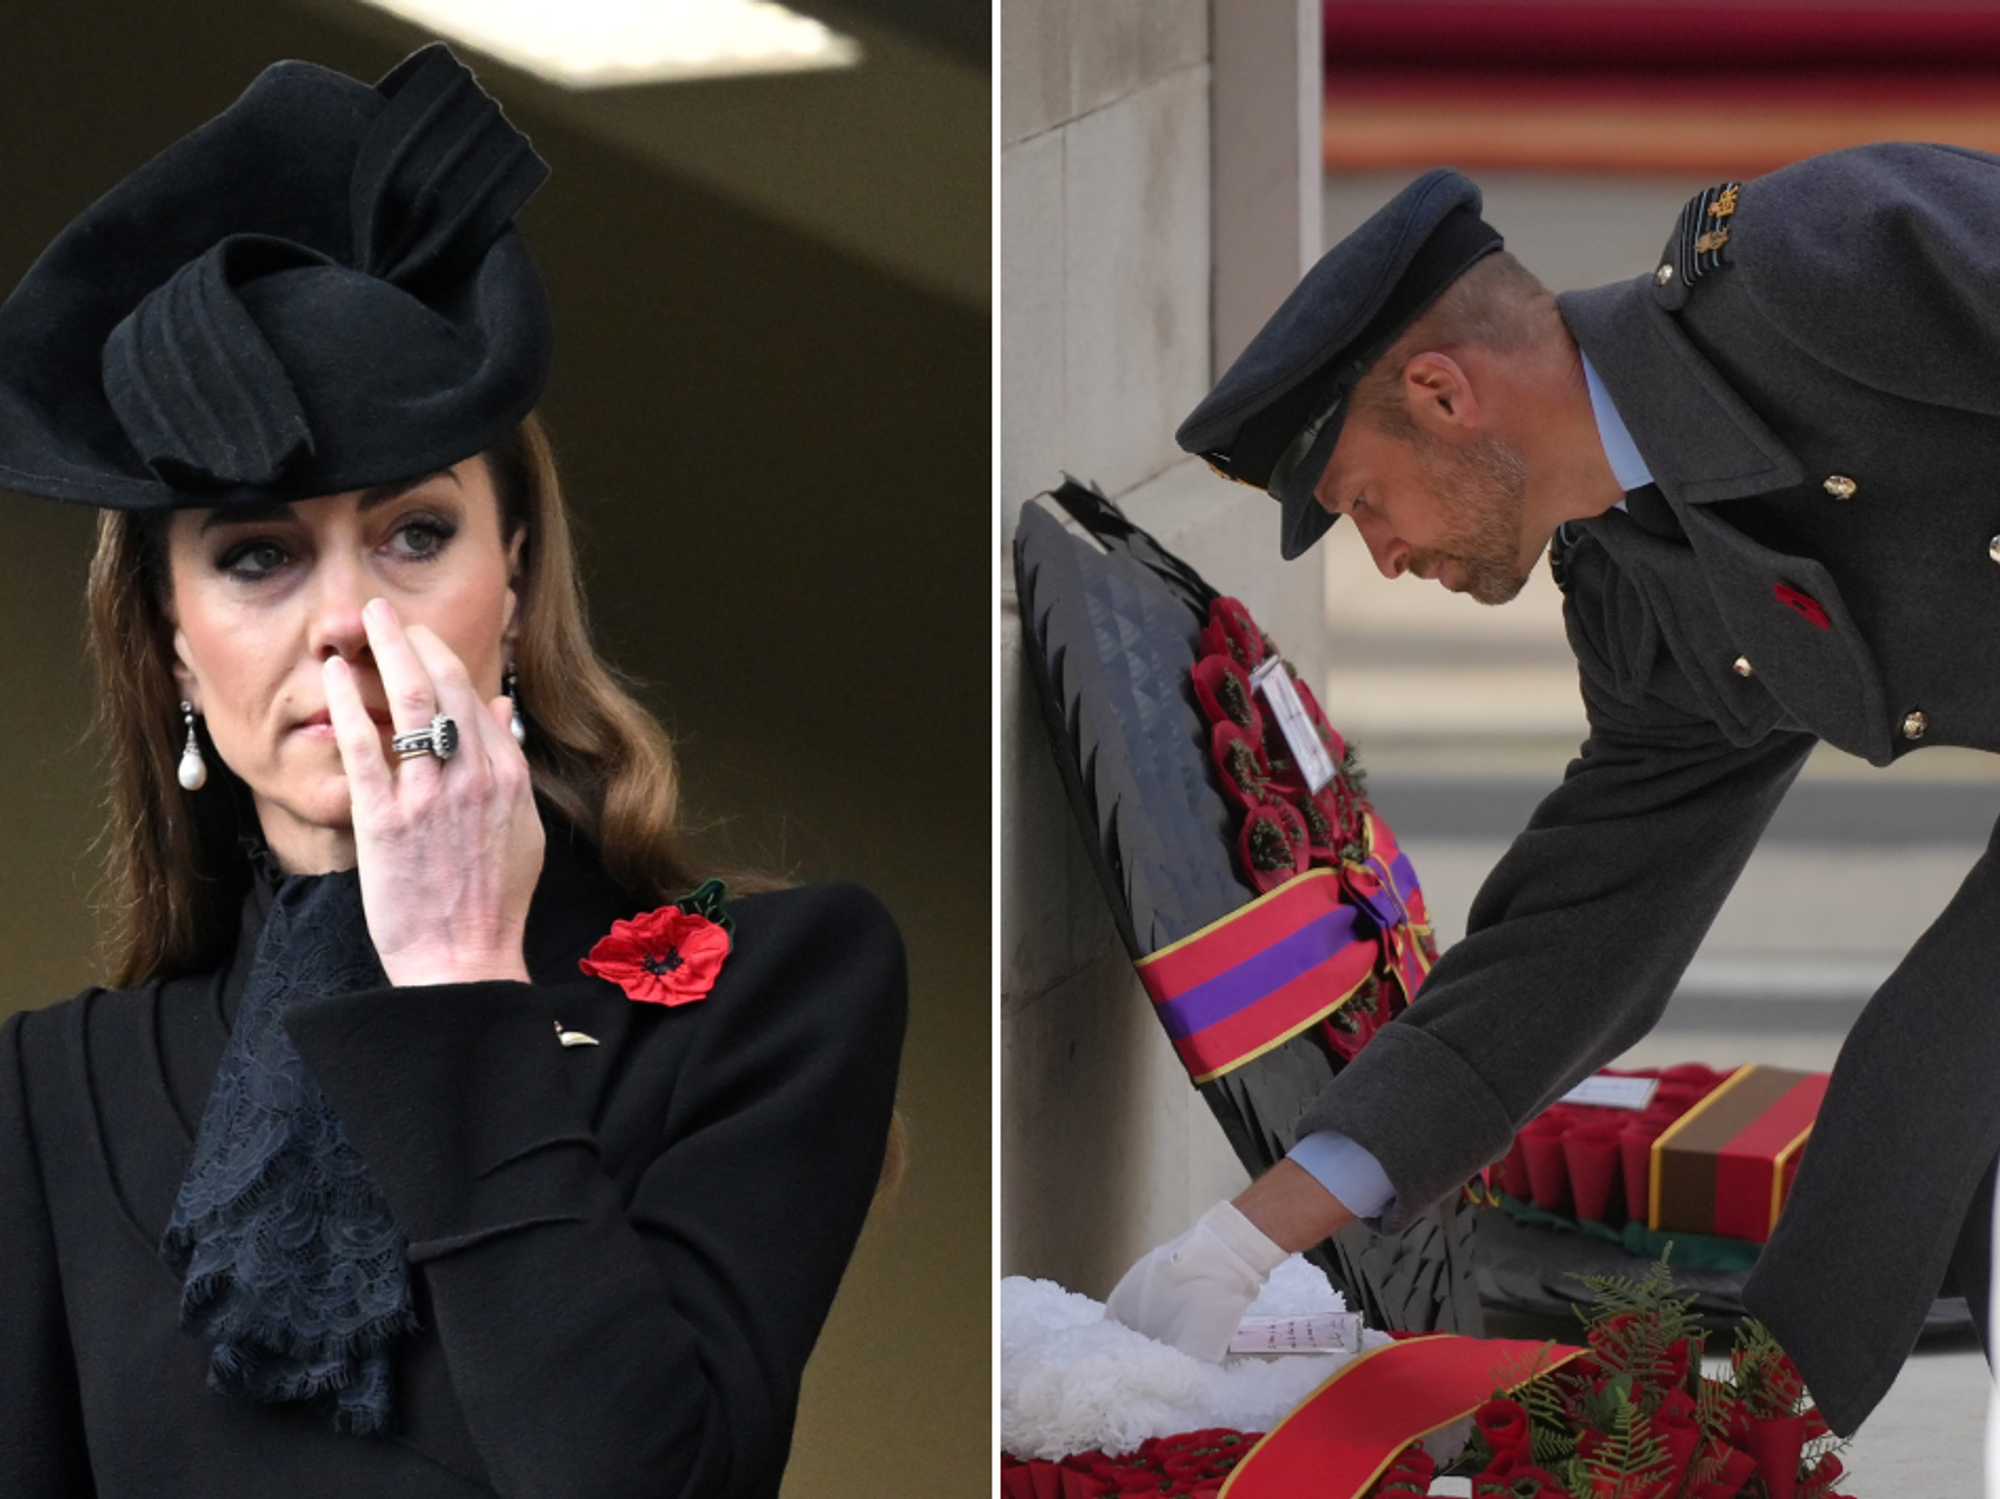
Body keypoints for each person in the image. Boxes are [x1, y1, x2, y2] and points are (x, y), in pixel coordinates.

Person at [0, 44, 905, 1498]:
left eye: (416, 534)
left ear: (517, 576)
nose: (349, 620)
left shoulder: (777, 982)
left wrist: (465, 974)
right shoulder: (51, 1090)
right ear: (171, 645)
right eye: (256, 556)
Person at [1107, 145, 2000, 1439]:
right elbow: (1586, 931)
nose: (1388, 553)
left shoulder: (1820, 261)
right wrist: (1245, 1238)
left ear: (1443, 391)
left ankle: (1756, 1445)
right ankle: (1758, 1443)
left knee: (1929, 1086)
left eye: (1365, 499)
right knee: (1932, 1139)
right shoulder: (1642, 588)